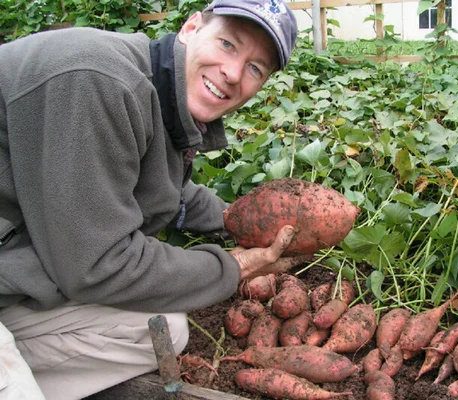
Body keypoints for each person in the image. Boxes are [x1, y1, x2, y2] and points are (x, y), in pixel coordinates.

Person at [0, 0, 303, 398]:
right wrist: (234, 266)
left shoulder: (161, 94)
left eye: (255, 68)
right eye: (228, 44)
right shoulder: (99, 81)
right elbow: (98, 264)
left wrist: (237, 220)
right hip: (58, 264)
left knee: (163, 327)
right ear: (191, 28)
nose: (232, 73)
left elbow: (165, 190)